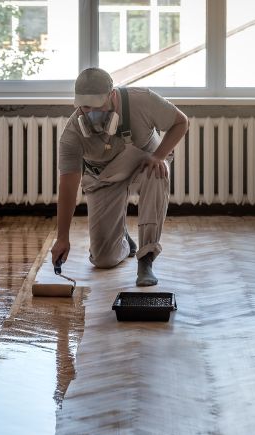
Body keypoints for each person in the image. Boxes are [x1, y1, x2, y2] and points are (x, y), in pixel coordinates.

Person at [51, 67, 188, 286]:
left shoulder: (142, 100)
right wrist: (62, 238)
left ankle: (146, 258)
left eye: (98, 106)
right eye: (85, 107)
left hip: (144, 165)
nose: (91, 113)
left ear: (112, 95)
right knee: (103, 260)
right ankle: (123, 240)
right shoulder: (72, 135)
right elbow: (67, 187)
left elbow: (181, 122)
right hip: (104, 179)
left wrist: (159, 156)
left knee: (158, 174)